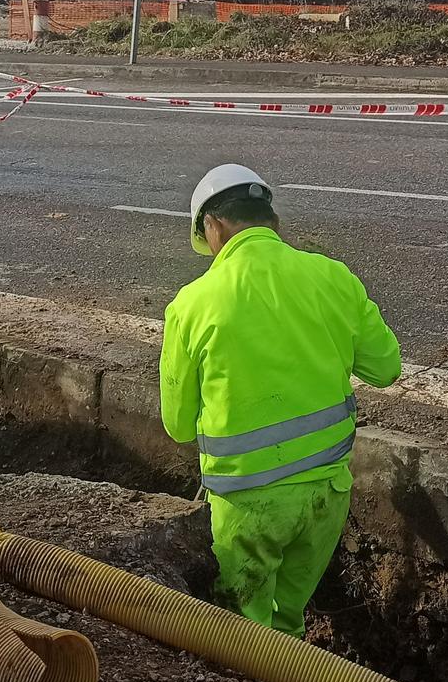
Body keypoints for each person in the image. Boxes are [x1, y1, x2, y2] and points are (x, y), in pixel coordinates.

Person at [160, 163, 402, 637]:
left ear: (213, 226)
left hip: (249, 505)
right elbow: (385, 367)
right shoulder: (332, 276)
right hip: (326, 496)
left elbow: (179, 426)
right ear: (272, 220)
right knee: (289, 621)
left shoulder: (192, 303)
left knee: (245, 635)